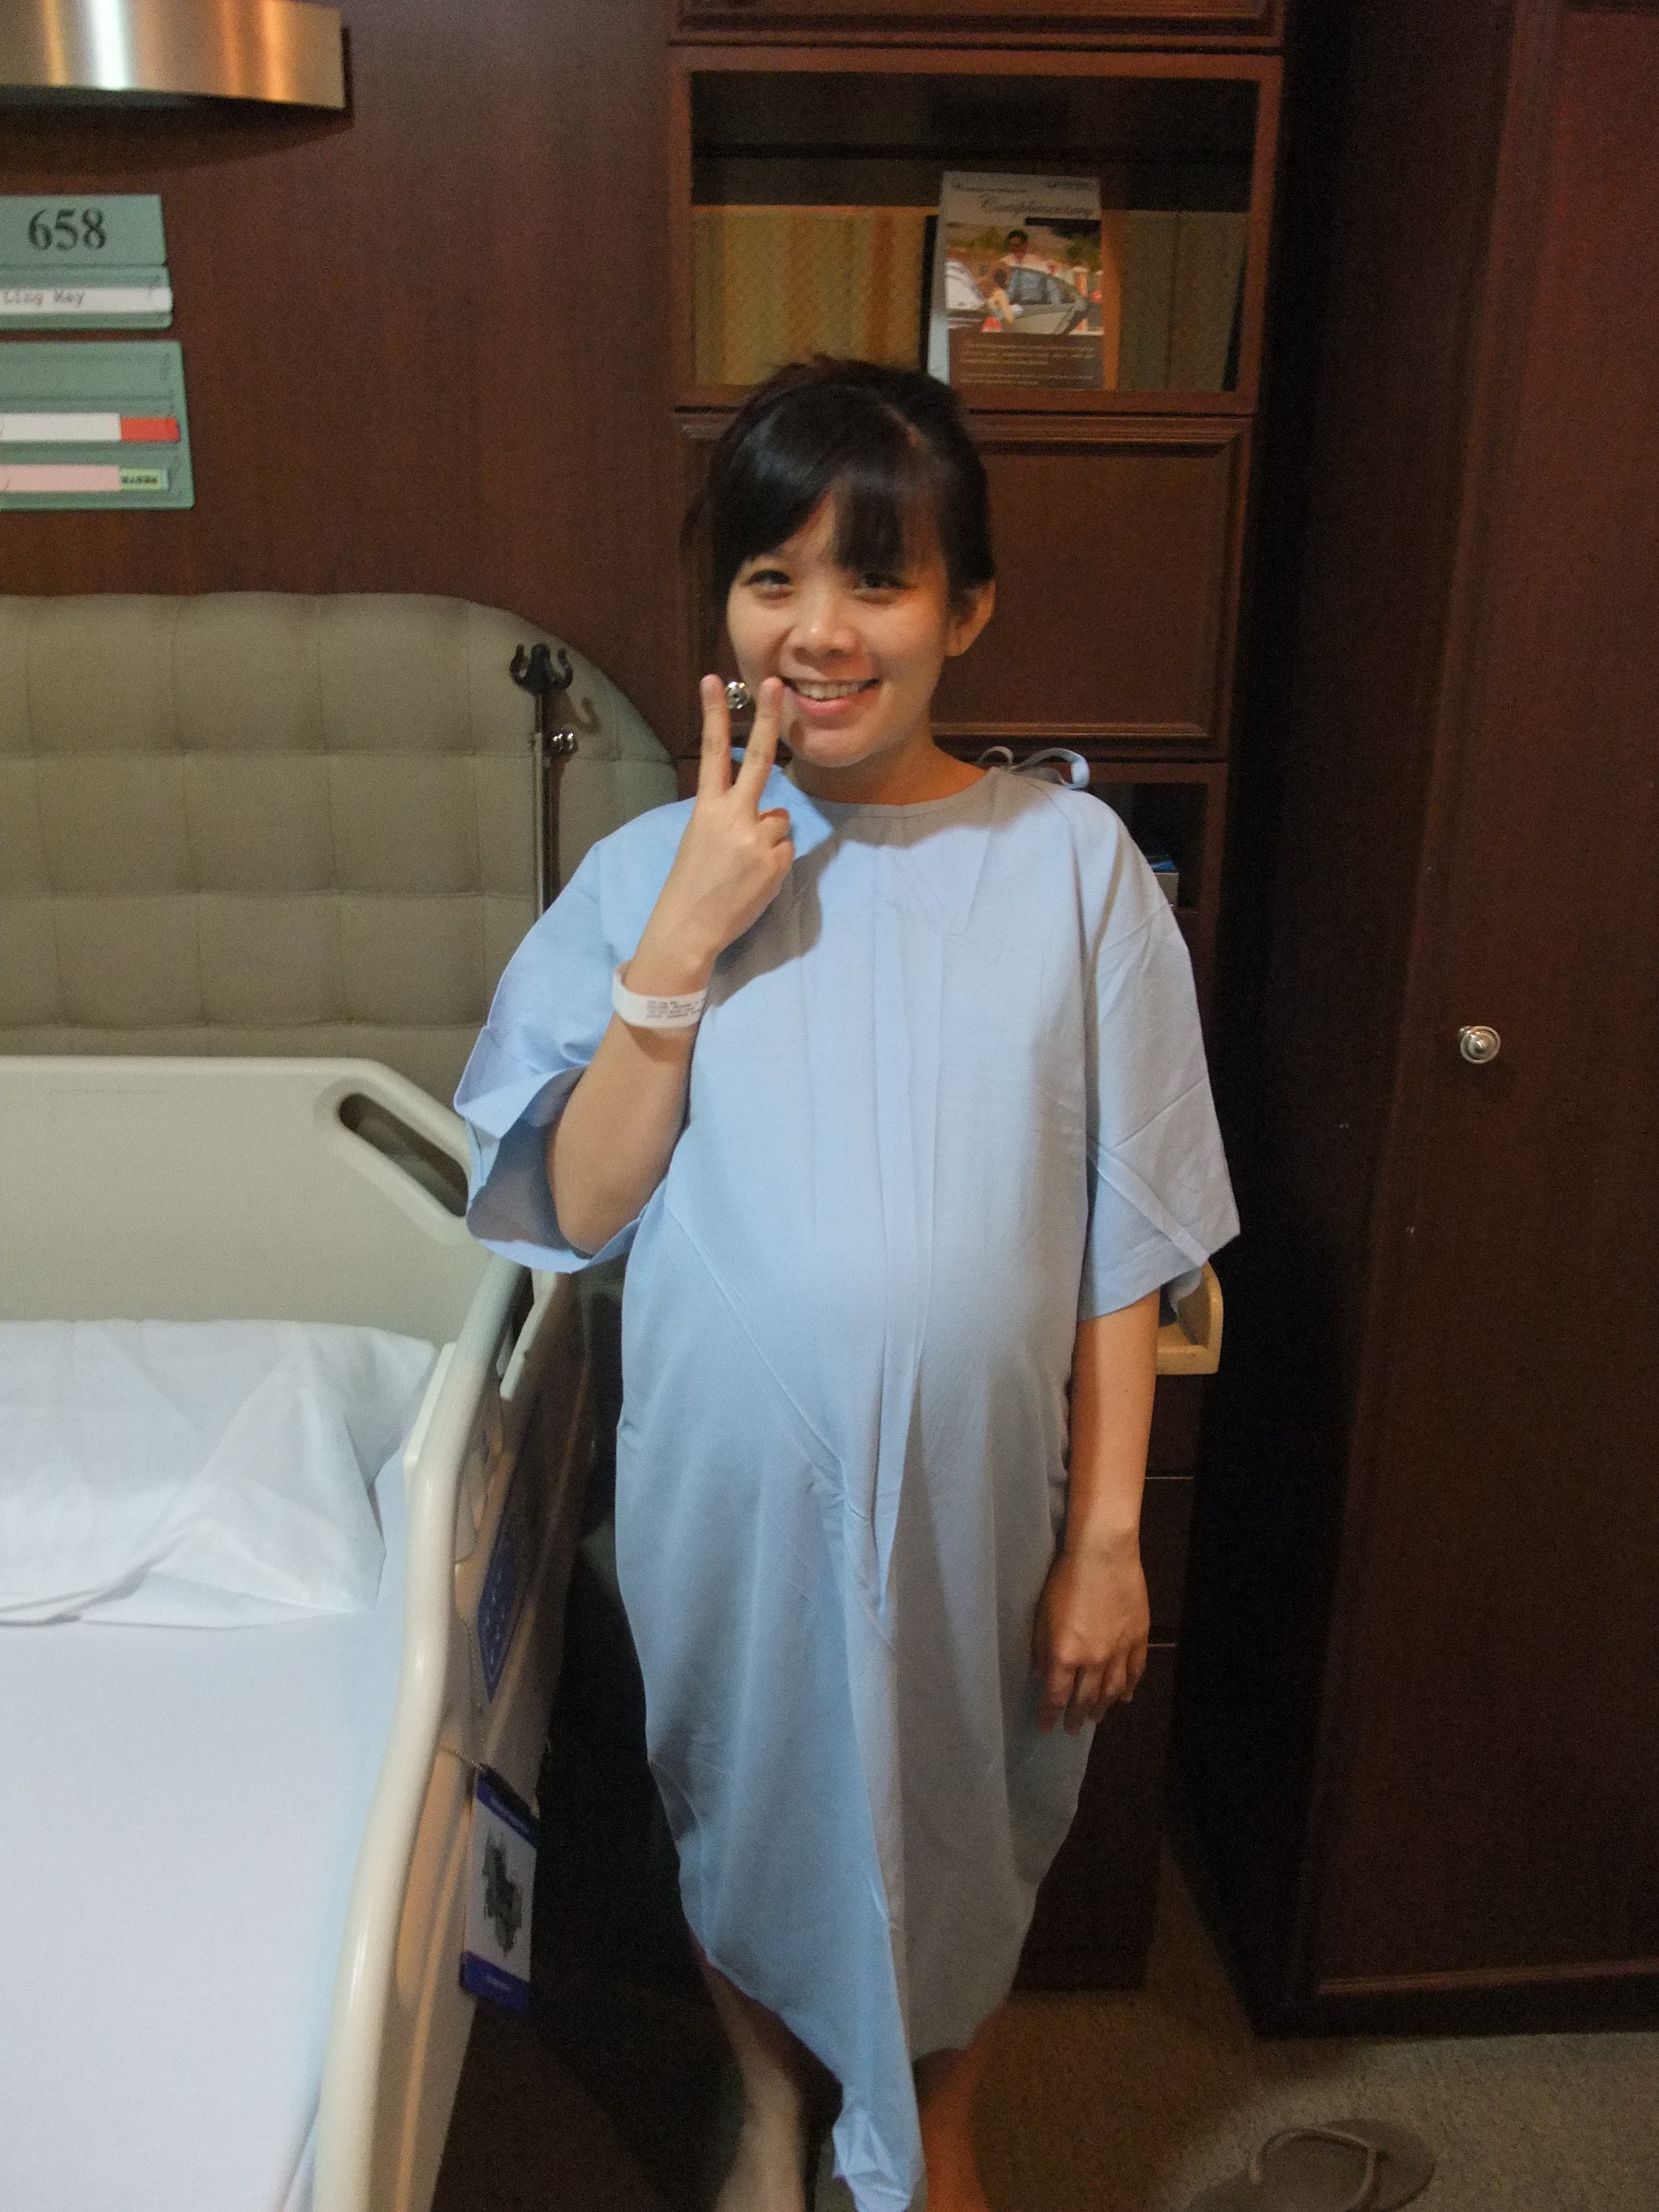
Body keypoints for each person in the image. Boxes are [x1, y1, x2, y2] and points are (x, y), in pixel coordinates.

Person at [455, 359, 1237, 2212]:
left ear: (966, 609)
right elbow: (576, 1201)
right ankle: (771, 2103)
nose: (816, 631)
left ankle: (935, 2121)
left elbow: (1128, 1232)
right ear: (725, 605)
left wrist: (1109, 1534)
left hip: (983, 1502)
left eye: (875, 580)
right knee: (741, 1801)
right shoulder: (651, 871)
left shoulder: (1075, 868)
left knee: (967, 1811)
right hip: (728, 1494)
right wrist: (681, 937)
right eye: (770, 577)